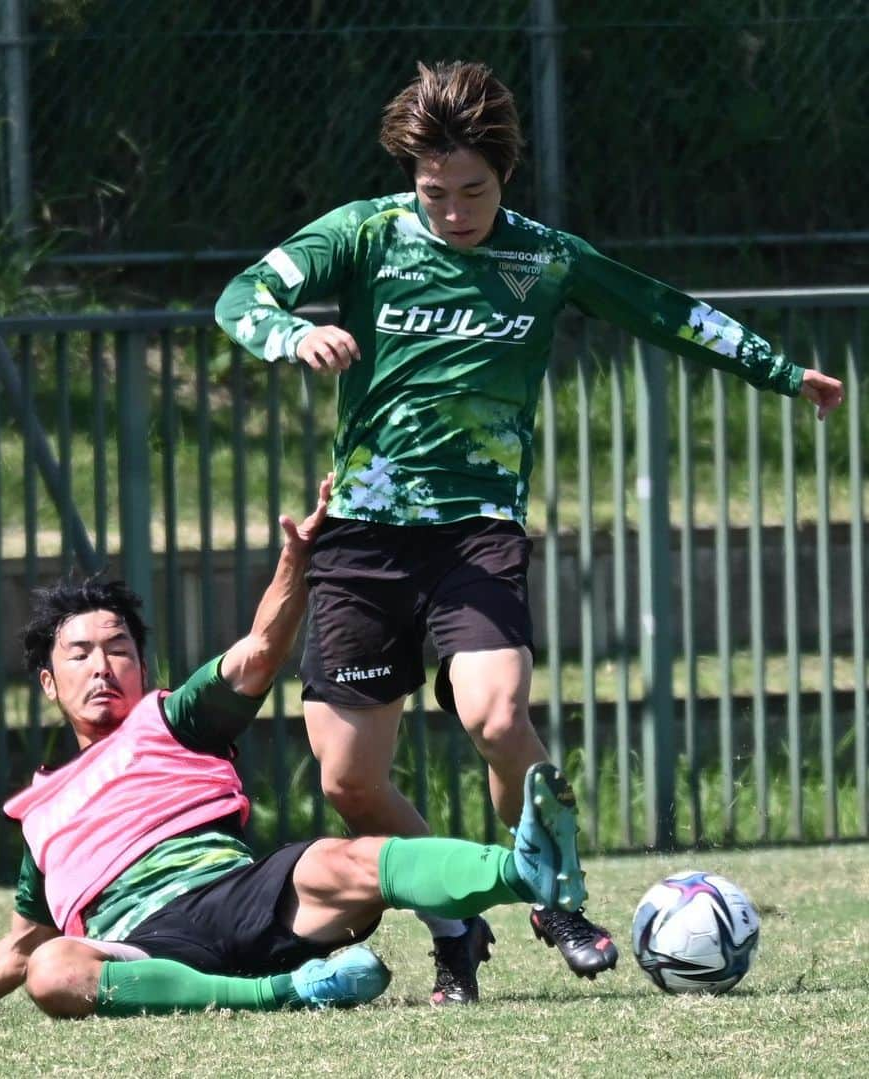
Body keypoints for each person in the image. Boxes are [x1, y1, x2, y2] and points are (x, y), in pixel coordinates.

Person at [215, 60, 845, 1005]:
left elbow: (663, 310)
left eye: (473, 190)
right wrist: (291, 336)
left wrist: (780, 371)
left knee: (499, 716)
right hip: (360, 540)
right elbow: (241, 299)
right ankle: (458, 922)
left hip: (477, 531)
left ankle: (555, 895)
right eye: (436, 192)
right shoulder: (364, 236)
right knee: (349, 782)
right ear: (410, 177)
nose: (455, 209)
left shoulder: (542, 257)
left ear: (503, 175)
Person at [0, 476, 591, 1023]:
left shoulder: (174, 717)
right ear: (47, 682)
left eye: (119, 648)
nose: (102, 666)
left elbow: (260, 650)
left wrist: (297, 560)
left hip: (244, 899)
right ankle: (286, 995)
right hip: (144, 945)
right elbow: (19, 946)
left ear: (144, 665)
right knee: (56, 966)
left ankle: (525, 869)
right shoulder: (39, 815)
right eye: (81, 653)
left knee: (342, 856)